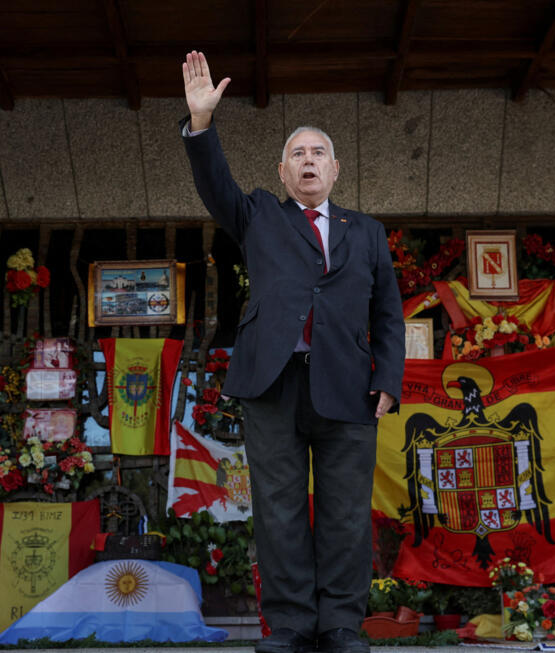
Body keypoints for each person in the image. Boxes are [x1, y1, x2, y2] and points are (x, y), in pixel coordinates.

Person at [180, 51, 405, 653]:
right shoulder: (257, 215)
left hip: (350, 387)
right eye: (297, 154)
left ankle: (339, 625)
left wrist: (388, 378)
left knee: (346, 515)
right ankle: (289, 626)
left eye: (317, 153)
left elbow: (388, 312)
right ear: (283, 173)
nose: (308, 161)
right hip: (272, 384)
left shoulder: (368, 232)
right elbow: (214, 185)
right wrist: (201, 124)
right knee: (278, 512)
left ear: (335, 169)